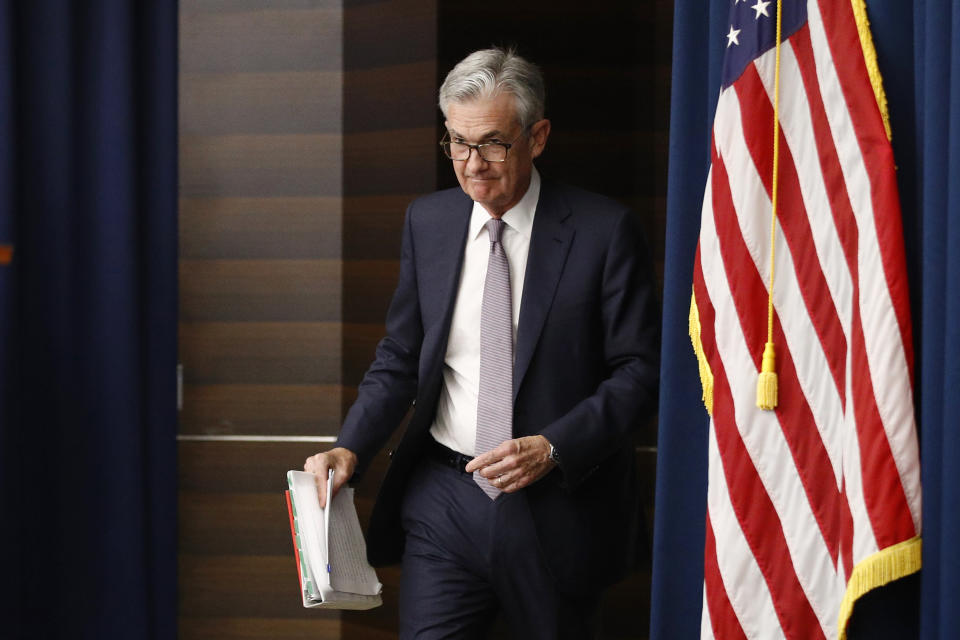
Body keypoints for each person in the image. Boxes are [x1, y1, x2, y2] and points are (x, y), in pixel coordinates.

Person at [304, 47, 660, 639]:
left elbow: (640, 372)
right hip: (443, 497)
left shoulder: (604, 232)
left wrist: (553, 447)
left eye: (493, 143)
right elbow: (399, 358)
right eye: (457, 143)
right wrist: (351, 448)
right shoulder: (430, 221)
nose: (472, 165)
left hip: (556, 505)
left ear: (537, 137)